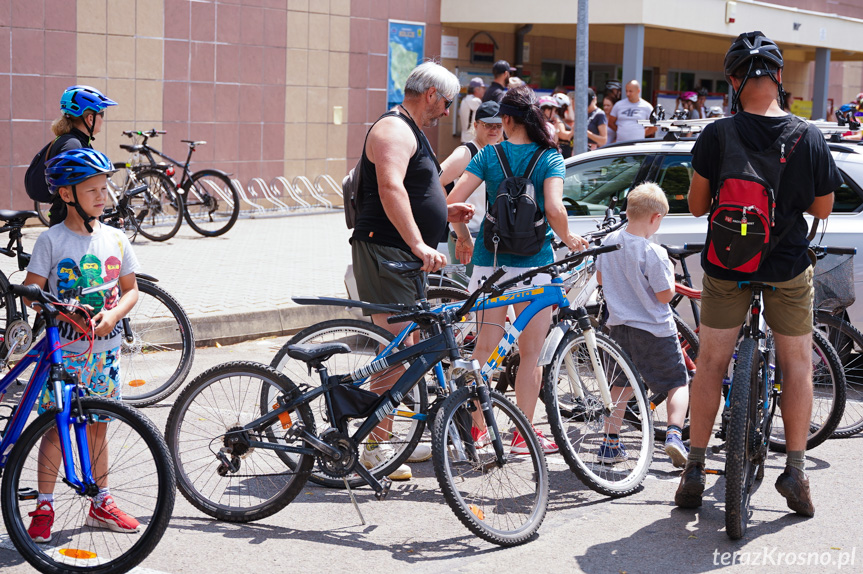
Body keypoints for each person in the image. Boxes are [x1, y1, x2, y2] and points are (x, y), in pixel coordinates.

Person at [675, 31, 842, 518]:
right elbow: (824, 206)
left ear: (732, 80)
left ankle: (696, 466)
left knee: (710, 365)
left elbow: (699, 205)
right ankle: (794, 468)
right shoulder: (808, 135)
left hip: (727, 265)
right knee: (797, 367)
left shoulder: (717, 134)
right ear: (780, 77)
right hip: (788, 266)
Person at [447, 85, 589, 454]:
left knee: (485, 348)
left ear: (507, 119)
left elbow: (453, 201)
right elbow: (555, 210)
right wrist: (570, 238)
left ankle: (479, 431)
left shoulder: (489, 155)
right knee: (532, 353)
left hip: (490, 262)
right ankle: (522, 436)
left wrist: (463, 237)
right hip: (536, 264)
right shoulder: (550, 157)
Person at [351, 62, 474, 480]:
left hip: (401, 254)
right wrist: (419, 241)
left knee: (404, 349)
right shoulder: (392, 129)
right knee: (395, 351)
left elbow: (418, 190)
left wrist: (442, 213)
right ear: (432, 95)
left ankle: (383, 439)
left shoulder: (411, 129)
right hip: (387, 251)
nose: (447, 112)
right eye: (447, 103)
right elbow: (390, 187)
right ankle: (373, 447)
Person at [25, 148, 141, 543]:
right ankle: (44, 505)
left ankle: (101, 502)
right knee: (55, 431)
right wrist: (56, 308)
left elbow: (131, 290)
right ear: (67, 195)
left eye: (104, 188)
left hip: (105, 354)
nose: (101, 196)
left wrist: (114, 316)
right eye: (92, 190)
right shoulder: (51, 240)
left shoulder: (116, 238)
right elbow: (32, 292)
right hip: (64, 358)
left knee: (97, 429)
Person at [595, 183, 691, 467]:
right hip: (654, 329)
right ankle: (674, 435)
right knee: (677, 382)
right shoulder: (654, 252)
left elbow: (600, 280)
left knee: (621, 385)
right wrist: (670, 273)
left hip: (617, 328)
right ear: (655, 217)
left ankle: (610, 445)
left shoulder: (609, 240)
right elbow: (665, 295)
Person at [440, 100, 504, 276]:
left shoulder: (497, 153)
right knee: (465, 297)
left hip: (491, 239)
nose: (494, 130)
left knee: (487, 300)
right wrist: (462, 233)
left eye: (499, 126)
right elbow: (437, 181)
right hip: (469, 238)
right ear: (475, 125)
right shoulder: (466, 152)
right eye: (488, 125)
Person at [45, 85, 117, 226]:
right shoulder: (73, 146)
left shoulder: (72, 140)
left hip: (72, 222)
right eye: (101, 113)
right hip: (70, 226)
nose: (102, 119)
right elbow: (77, 193)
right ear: (90, 118)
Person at [459, 77, 486, 143]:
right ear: (477, 89)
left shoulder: (465, 99)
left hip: (465, 138)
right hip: (471, 140)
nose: (484, 91)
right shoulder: (475, 101)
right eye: (483, 88)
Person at [553, 92, 575, 157]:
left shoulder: (560, 118)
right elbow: (563, 135)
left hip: (566, 151)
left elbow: (571, 118)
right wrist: (574, 130)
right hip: (563, 152)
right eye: (565, 107)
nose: (566, 109)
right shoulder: (556, 118)